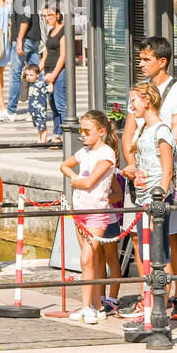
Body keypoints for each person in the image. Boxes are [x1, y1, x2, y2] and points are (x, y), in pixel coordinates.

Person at [123, 35, 177, 317]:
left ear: (162, 62)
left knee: (171, 235)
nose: (141, 64)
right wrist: (132, 166)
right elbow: (129, 133)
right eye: (140, 59)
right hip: (142, 174)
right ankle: (148, 294)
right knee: (143, 238)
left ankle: (176, 296)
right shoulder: (140, 92)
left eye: (146, 59)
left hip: (164, 176)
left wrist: (162, 178)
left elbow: (176, 131)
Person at [61, 109, 118, 325]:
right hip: (80, 211)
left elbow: (89, 182)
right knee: (90, 260)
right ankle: (96, 305)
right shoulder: (84, 152)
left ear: (101, 131)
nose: (83, 135)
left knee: (87, 257)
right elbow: (64, 165)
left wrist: (77, 181)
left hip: (96, 212)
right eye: (81, 131)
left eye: (87, 130)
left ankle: (86, 307)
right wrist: (76, 177)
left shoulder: (106, 154)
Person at [121, 82, 176, 295]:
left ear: (147, 100)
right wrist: (132, 170)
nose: (130, 106)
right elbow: (148, 163)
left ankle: (160, 302)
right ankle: (149, 300)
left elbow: (167, 170)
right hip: (143, 197)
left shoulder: (162, 130)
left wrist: (159, 202)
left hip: (155, 200)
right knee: (147, 252)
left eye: (133, 100)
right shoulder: (145, 129)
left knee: (159, 252)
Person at [5, 0, 41, 116]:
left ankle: (11, 111)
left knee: (15, 74)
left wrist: (19, 39)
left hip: (25, 38)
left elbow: (25, 18)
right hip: (32, 37)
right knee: (36, 73)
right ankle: (36, 108)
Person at [39, 5, 67, 141]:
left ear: (57, 14)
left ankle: (67, 134)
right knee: (53, 105)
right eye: (44, 16)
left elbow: (63, 55)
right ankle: (58, 134)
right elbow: (47, 52)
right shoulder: (51, 31)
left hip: (59, 72)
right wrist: (39, 67)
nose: (47, 18)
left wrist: (54, 75)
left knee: (61, 104)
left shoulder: (63, 30)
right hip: (48, 70)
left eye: (49, 15)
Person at [23, 62, 51, 144]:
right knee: (39, 126)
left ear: (37, 75)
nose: (28, 77)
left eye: (31, 75)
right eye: (27, 75)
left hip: (40, 109)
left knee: (42, 126)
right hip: (34, 109)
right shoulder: (31, 84)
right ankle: (40, 139)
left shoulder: (40, 84)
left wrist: (50, 84)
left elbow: (48, 89)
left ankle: (43, 140)